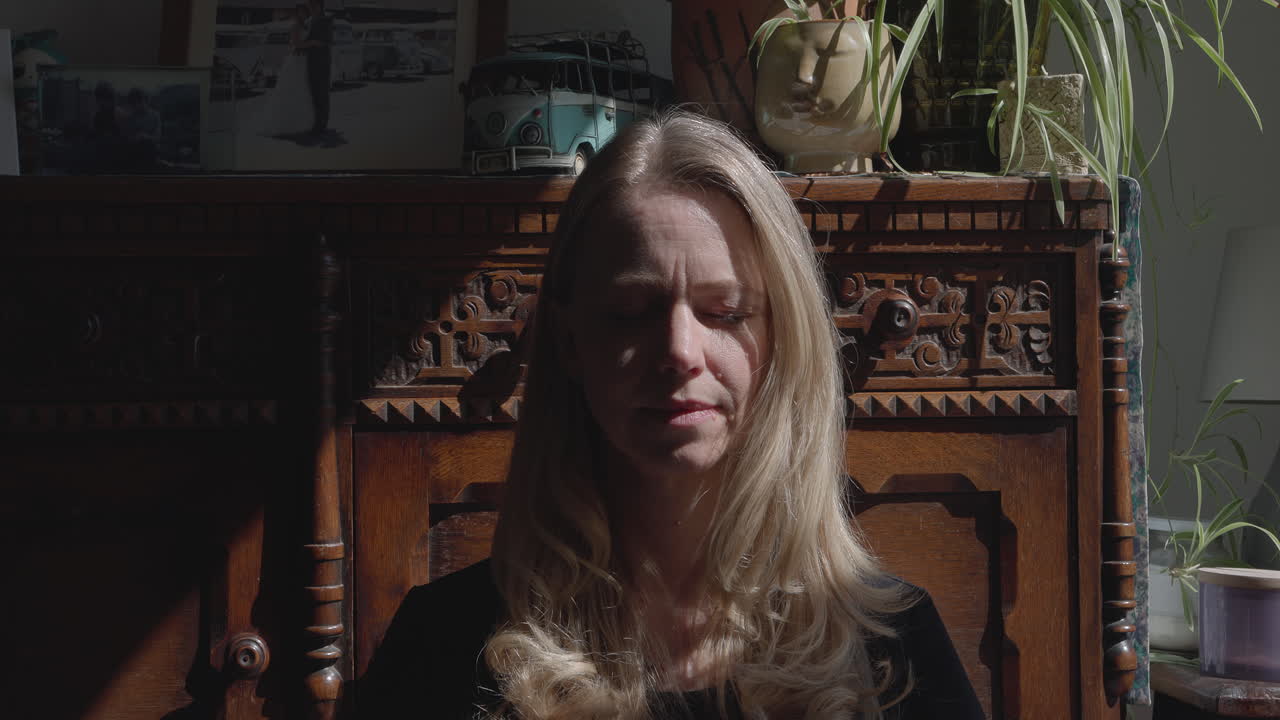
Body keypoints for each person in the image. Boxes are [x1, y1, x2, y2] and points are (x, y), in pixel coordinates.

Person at [360, 110, 984, 719]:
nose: (680, 351)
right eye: (631, 312)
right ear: (570, 343)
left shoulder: (895, 650)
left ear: (783, 340)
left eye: (726, 312)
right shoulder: (442, 643)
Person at [260, 4, 315, 137]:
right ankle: (287, 124)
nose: (302, 14)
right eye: (300, 12)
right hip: (296, 59)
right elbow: (296, 43)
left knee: (303, 90)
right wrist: (311, 44)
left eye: (304, 12)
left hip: (304, 60)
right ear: (297, 13)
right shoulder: (295, 26)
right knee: (292, 89)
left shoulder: (306, 26)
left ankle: (302, 123)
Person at [300, 0, 332, 135]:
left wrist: (311, 43)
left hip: (322, 62)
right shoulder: (309, 21)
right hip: (311, 61)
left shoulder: (327, 19)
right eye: (309, 6)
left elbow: (327, 41)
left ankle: (322, 124)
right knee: (313, 93)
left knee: (322, 94)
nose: (311, 8)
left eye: (313, 6)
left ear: (319, 5)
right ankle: (316, 122)